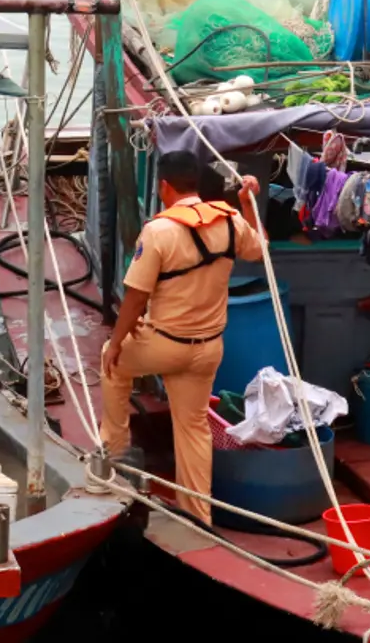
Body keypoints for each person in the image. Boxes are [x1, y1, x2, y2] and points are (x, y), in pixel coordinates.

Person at [99, 151, 265, 524]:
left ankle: (114, 458)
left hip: (165, 346)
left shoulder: (159, 231)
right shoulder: (231, 221)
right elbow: (261, 250)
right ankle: (197, 516)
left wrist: (118, 339)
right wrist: (245, 205)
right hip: (207, 349)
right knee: (192, 428)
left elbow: (136, 297)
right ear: (197, 183)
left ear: (164, 186)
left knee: (112, 360)